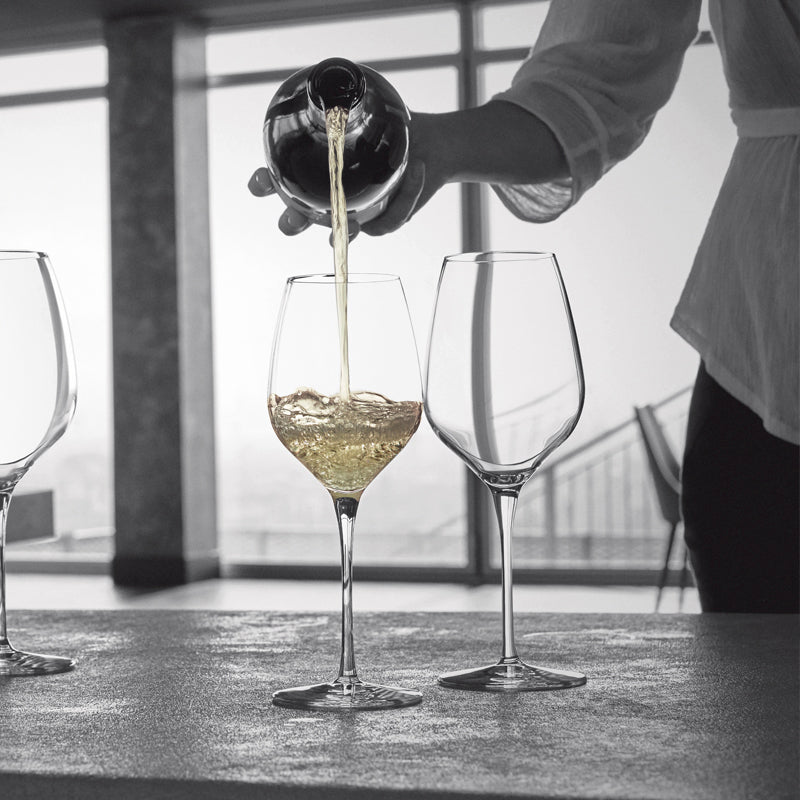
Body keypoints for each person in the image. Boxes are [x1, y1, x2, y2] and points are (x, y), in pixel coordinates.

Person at [251, 0, 800, 613]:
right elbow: (590, 82)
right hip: (764, 316)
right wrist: (424, 145)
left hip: (762, 296)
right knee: (751, 603)